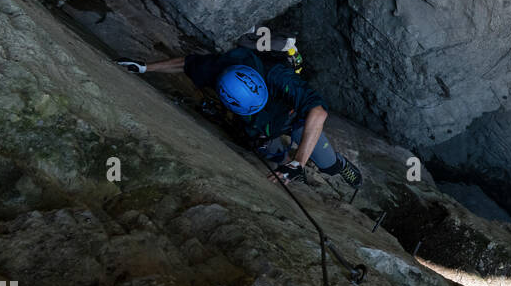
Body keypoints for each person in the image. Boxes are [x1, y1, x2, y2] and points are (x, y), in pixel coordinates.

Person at [116, 47, 361, 187]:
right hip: (259, 126)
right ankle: (284, 162)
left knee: (327, 165)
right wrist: (145, 67)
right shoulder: (219, 69)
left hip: (294, 118)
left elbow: (317, 113)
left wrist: (300, 161)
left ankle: (337, 165)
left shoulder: (278, 77)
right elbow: (187, 63)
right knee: (265, 148)